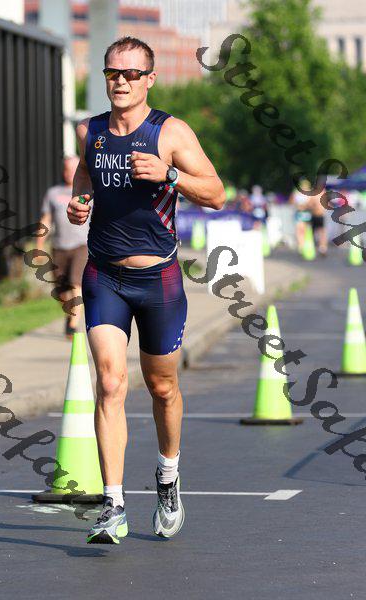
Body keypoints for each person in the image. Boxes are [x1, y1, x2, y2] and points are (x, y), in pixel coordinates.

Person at [67, 36, 225, 544]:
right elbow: (84, 179)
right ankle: (113, 505)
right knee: (110, 383)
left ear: (149, 80)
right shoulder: (90, 131)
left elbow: (217, 193)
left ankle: (168, 475)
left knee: (162, 388)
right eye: (112, 72)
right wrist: (79, 204)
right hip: (104, 276)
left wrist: (170, 174)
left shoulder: (170, 132)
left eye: (131, 74)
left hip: (158, 279)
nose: (121, 81)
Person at [37, 156, 90, 339]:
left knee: (76, 283)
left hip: (82, 246)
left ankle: (72, 326)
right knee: (61, 291)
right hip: (59, 247)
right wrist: (39, 245)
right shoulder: (53, 193)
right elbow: (46, 220)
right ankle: (70, 314)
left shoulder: (88, 192)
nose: (70, 173)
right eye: (67, 169)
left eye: (74, 169)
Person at [289, 180, 312, 251]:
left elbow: (311, 204)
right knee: (299, 229)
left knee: (304, 229)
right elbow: (291, 202)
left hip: (306, 212)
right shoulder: (296, 193)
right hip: (299, 212)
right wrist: (298, 205)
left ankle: (303, 244)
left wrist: (304, 206)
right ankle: (301, 245)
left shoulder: (310, 194)